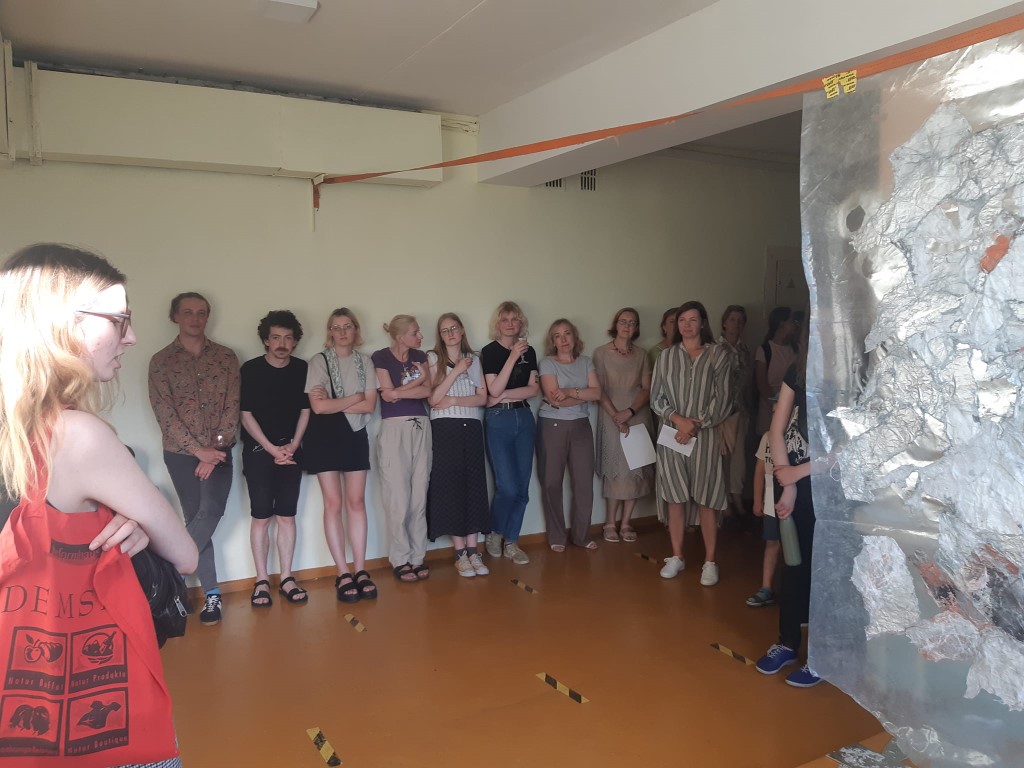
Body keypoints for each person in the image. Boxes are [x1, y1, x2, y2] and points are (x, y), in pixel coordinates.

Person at [0, 243, 198, 766]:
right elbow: (184, 554)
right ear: (63, 323)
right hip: (88, 701)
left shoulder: (14, 429)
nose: (130, 337)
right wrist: (140, 525)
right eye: (119, 320)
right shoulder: (78, 434)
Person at [149, 290, 240, 625]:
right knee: (196, 517)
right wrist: (197, 450)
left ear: (208, 317)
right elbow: (164, 412)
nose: (195, 318)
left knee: (209, 512)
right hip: (180, 454)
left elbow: (232, 407)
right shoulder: (161, 361)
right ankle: (212, 594)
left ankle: (167, 579)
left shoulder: (226, 357)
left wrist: (214, 450)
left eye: (201, 312)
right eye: (187, 312)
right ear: (175, 316)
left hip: (220, 451)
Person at [650, 301, 732, 586]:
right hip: (672, 435)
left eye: (692, 319)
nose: (686, 325)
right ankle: (677, 556)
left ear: (703, 322)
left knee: (707, 498)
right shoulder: (666, 356)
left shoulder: (718, 355)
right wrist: (679, 420)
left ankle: (710, 561)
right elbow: (656, 397)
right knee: (675, 497)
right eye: (681, 320)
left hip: (705, 437)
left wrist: (695, 425)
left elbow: (723, 399)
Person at [755, 362, 823, 687]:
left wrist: (799, 472)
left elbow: (855, 444)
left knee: (826, 571)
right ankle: (788, 642)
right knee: (794, 564)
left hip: (833, 486)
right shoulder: (798, 369)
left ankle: (823, 657)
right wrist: (791, 484)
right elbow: (776, 429)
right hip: (795, 483)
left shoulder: (855, 368)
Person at [305, 308, 379, 602]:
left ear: (355, 329)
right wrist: (355, 397)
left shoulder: (366, 362)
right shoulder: (318, 361)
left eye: (347, 326)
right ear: (330, 332)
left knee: (356, 502)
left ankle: (360, 570)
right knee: (333, 504)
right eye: (336, 327)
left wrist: (336, 401)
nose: (342, 332)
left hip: (355, 434)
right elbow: (318, 407)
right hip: (323, 437)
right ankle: (343, 572)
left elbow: (370, 406)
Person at [240, 310, 310, 608]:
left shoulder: (303, 368)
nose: (282, 344)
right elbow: (245, 415)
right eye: (276, 338)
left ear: (295, 342)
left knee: (286, 516)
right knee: (261, 517)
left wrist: (293, 445)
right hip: (259, 453)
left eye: (288, 338)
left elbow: (306, 410)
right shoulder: (251, 369)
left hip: (291, 452)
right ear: (266, 341)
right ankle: (261, 580)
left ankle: (287, 578)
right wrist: (271, 448)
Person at [426, 313, 491, 577]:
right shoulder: (433, 358)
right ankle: (460, 553)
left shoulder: (474, 359)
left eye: (454, 328)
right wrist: (456, 371)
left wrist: (454, 401)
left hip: (471, 426)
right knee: (451, 486)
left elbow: (482, 398)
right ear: (440, 336)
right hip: (444, 428)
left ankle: (474, 551)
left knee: (474, 484)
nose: (451, 333)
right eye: (445, 330)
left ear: (462, 330)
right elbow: (433, 398)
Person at [372, 315, 433, 583]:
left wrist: (399, 392)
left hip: (421, 426)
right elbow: (386, 394)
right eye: (415, 332)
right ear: (400, 337)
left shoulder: (420, 355)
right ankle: (400, 558)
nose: (420, 336)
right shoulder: (381, 357)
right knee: (397, 497)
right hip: (394, 429)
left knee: (419, 495)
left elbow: (426, 392)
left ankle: (418, 556)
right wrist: (417, 381)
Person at [481, 301, 540, 565]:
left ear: (521, 323)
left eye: (515, 319)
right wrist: (513, 356)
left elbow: (533, 390)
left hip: (524, 417)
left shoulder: (531, 351)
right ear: (498, 323)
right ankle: (495, 533)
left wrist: (502, 394)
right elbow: (492, 390)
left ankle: (512, 541)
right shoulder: (490, 351)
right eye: (505, 319)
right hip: (498, 420)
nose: (510, 324)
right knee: (506, 486)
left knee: (522, 487)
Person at [536, 319, 602, 551]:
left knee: (584, 483)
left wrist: (569, 391)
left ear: (575, 337)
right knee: (551, 482)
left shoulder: (586, 362)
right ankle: (557, 536)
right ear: (553, 341)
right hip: (552, 425)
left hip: (581, 426)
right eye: (558, 335)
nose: (563, 339)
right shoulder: (547, 363)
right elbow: (555, 400)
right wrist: (582, 395)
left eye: (567, 334)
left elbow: (597, 394)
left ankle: (581, 536)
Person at [593, 307, 653, 543]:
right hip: (610, 418)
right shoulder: (601, 353)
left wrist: (629, 412)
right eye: (623, 321)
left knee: (635, 472)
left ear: (636, 327)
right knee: (615, 471)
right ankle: (610, 522)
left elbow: (647, 389)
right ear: (615, 325)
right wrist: (616, 416)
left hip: (637, 416)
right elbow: (598, 390)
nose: (628, 326)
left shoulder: (642, 354)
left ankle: (626, 522)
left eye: (632, 322)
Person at [717, 305, 754, 519]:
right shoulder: (715, 348)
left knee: (739, 459)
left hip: (741, 409)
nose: (736, 324)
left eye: (740, 321)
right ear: (724, 322)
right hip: (722, 412)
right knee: (723, 458)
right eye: (732, 319)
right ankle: (723, 500)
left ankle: (736, 496)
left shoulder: (745, 350)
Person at [746, 428, 780, 607]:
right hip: (770, 499)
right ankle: (766, 587)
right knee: (771, 542)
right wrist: (757, 499)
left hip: (792, 501)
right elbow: (760, 470)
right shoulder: (767, 437)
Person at [754, 306, 798, 436]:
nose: (794, 325)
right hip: (769, 409)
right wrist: (776, 404)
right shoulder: (765, 350)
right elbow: (761, 383)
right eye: (791, 321)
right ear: (781, 323)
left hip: (792, 408)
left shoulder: (797, 349)